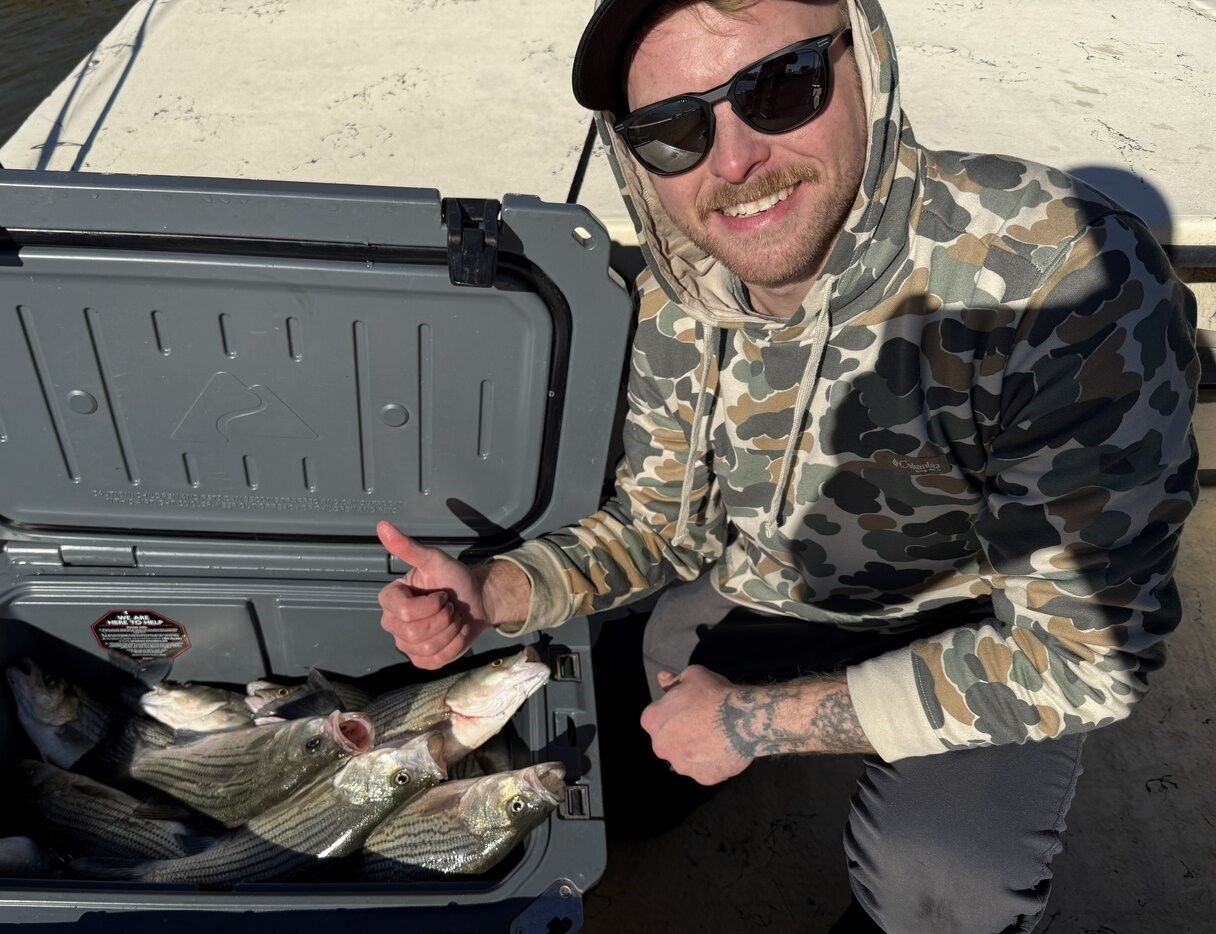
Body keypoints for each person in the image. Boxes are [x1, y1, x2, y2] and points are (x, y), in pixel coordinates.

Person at [375, 0, 1199, 930]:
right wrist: (499, 589)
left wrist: (751, 723)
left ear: (866, 66)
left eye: (779, 87)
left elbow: (1084, 655)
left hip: (986, 619)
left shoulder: (1067, 272)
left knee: (944, 883)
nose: (732, 162)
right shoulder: (681, 284)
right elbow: (658, 526)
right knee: (613, 769)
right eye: (672, 129)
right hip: (774, 590)